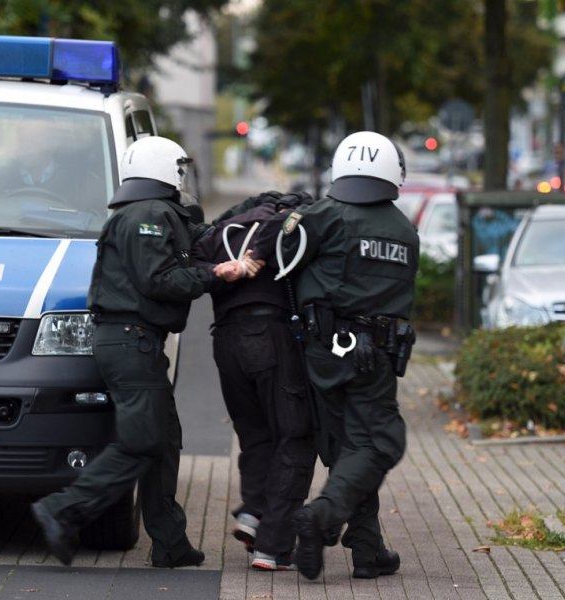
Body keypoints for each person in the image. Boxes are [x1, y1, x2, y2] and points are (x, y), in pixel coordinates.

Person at [30, 136, 249, 568]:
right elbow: (160, 280)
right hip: (131, 341)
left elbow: (196, 237)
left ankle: (170, 543)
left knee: (163, 441)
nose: (182, 178)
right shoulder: (147, 215)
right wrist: (216, 275)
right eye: (179, 170)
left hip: (136, 342)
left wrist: (246, 216)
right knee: (142, 439)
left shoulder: (151, 212)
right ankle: (62, 510)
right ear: (163, 169)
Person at [272, 131, 419, 581]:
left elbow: (283, 263)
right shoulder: (404, 229)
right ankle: (322, 517)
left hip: (322, 350)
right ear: (393, 172)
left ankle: (367, 548)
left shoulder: (321, 216)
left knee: (348, 447)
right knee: (378, 440)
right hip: (375, 354)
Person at [191, 191, 317, 571]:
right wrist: (254, 262)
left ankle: (254, 513)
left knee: (256, 435)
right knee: (295, 436)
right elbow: (290, 223)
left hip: (225, 340)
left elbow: (197, 259)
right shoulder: (289, 217)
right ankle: (273, 546)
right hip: (270, 336)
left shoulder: (224, 228)